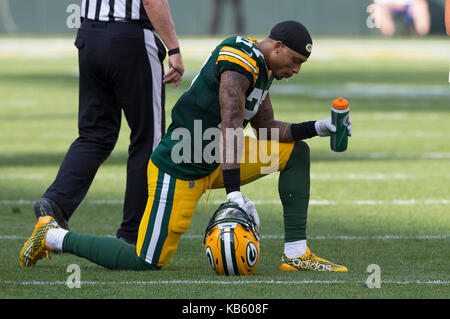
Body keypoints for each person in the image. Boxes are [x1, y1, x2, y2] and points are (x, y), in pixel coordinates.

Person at [20, 21, 351, 272]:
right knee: (146, 261)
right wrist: (234, 194)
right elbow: (230, 125)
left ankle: (295, 254)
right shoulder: (240, 57)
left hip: (214, 158)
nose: (294, 70)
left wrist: (320, 127)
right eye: (294, 61)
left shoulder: (263, 69)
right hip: (182, 163)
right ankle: (51, 235)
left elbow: (265, 129)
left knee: (295, 153)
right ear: (277, 47)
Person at [33, 0, 184, 246]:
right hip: (129, 37)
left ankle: (56, 203)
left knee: (95, 135)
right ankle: (134, 232)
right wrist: (174, 49)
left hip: (89, 35)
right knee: (148, 139)